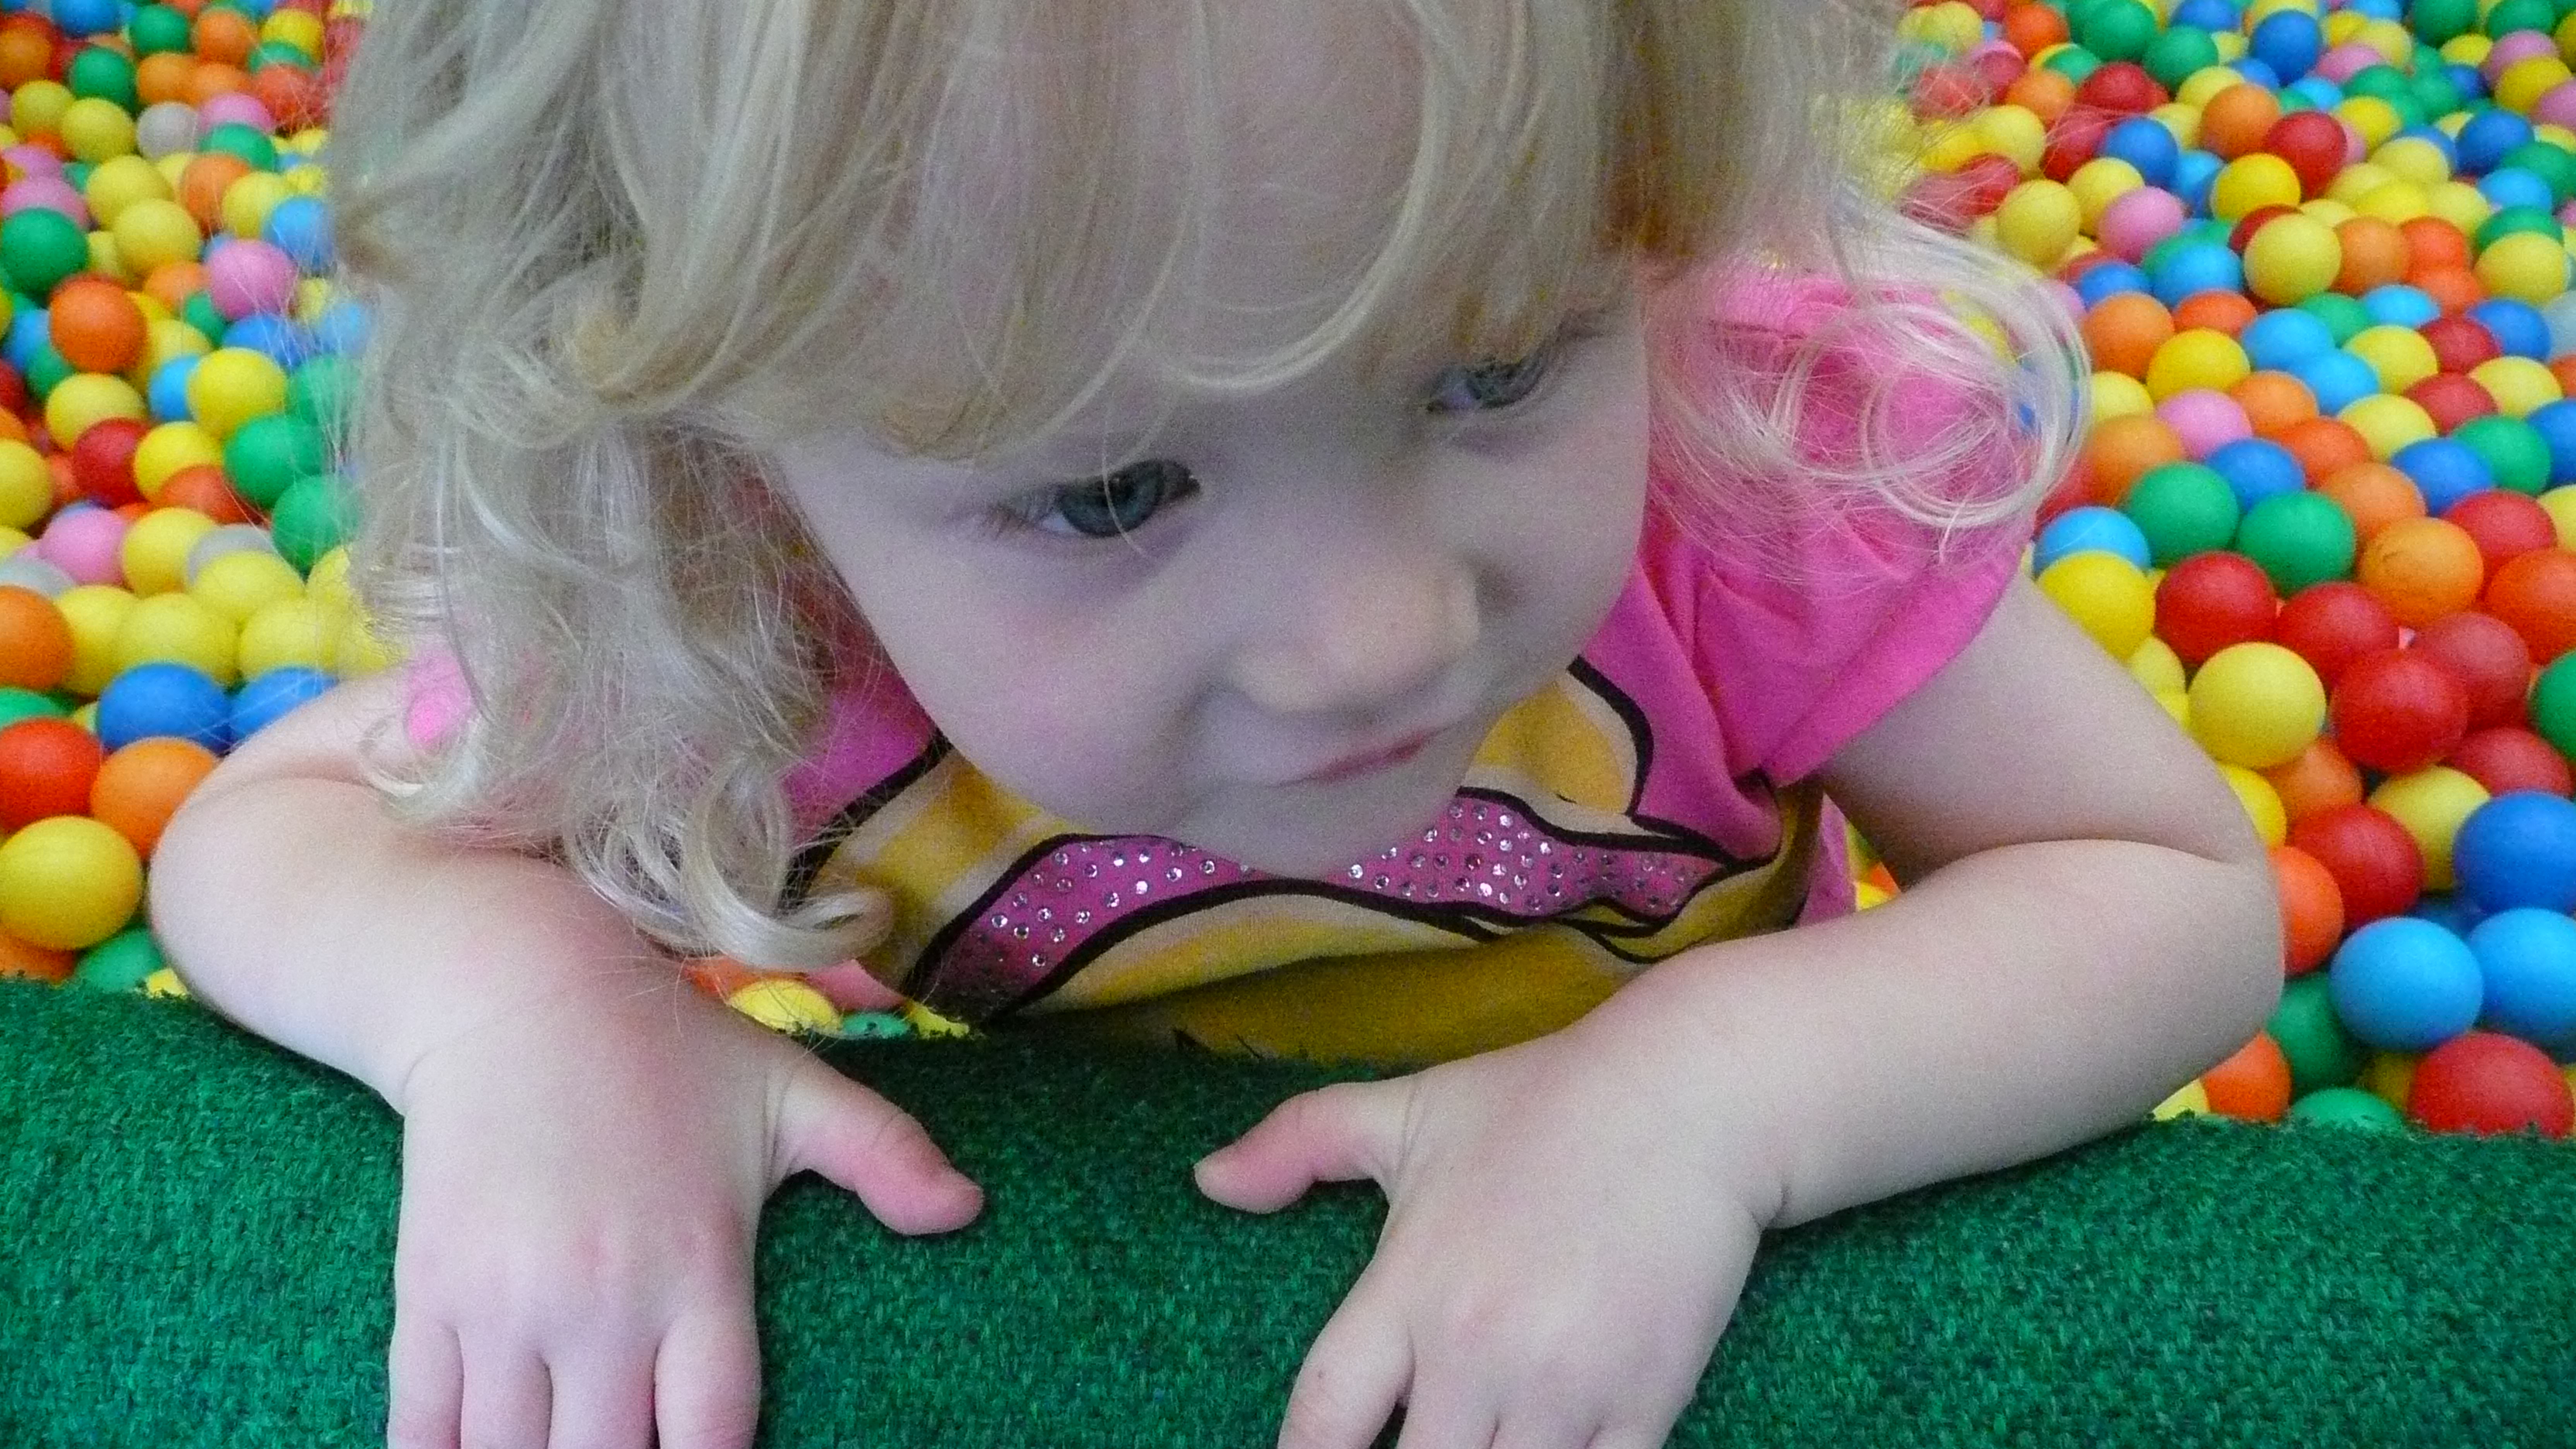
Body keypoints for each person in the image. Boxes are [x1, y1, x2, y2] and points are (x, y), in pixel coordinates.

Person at [149, 1, 2283, 1445]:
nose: (1372, 639)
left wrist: (1705, 1103)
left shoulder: (1753, 467)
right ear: (724, 457)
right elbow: (274, 828)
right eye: (1110, 493)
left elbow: (2164, 886)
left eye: (1495, 369)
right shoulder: (735, 612)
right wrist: (531, 1024)